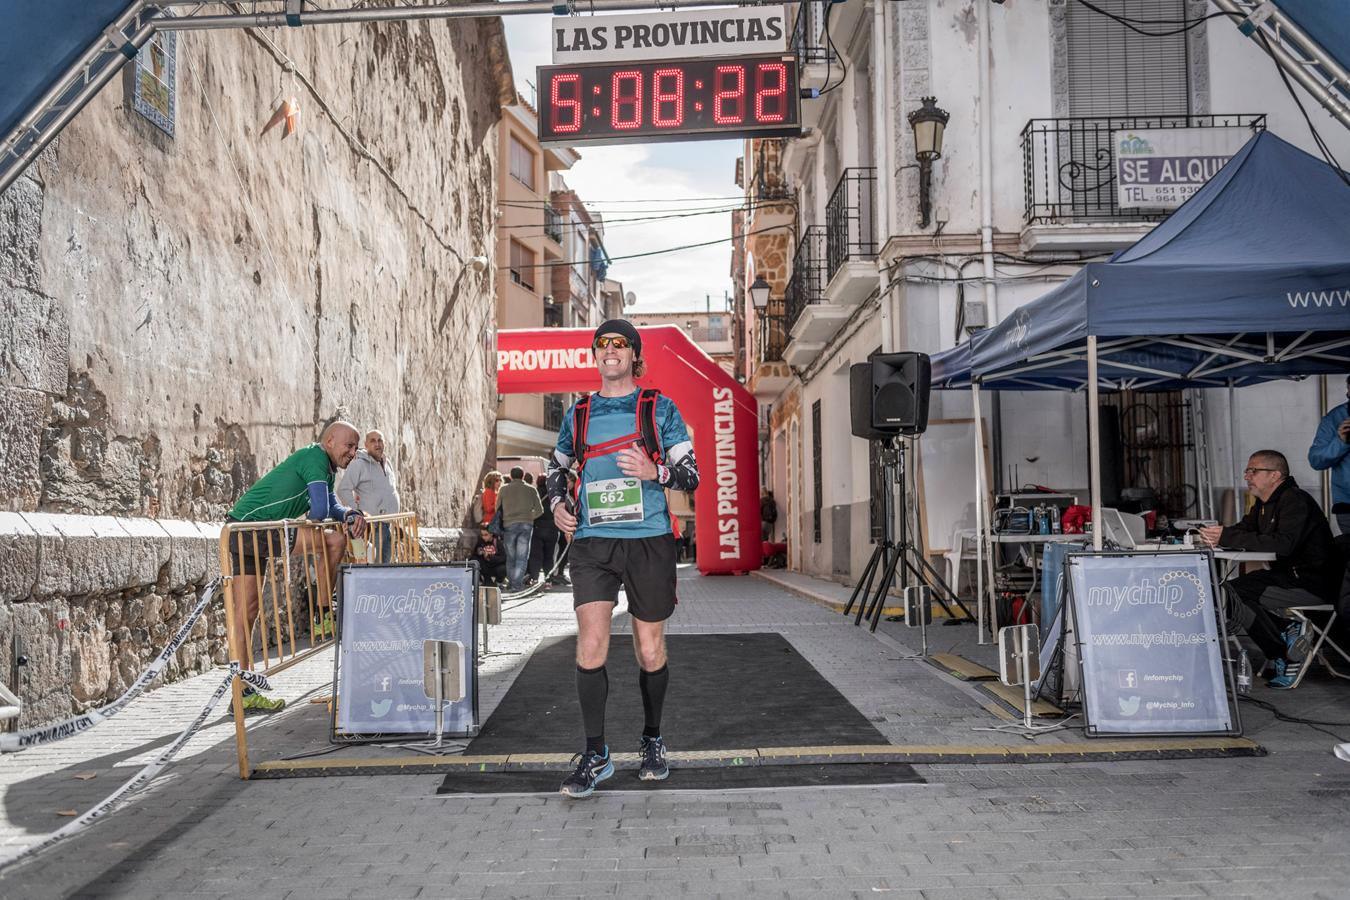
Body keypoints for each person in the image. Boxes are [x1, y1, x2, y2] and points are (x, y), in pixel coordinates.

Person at [546, 319, 699, 798]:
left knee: (650, 650)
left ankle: (652, 739)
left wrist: (656, 470)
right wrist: (556, 506)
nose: (610, 350)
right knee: (590, 645)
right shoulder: (580, 413)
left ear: (634, 355)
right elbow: (557, 467)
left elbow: (690, 474)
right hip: (594, 543)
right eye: (602, 344)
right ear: (595, 355)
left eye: (620, 344)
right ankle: (596, 754)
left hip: (648, 538)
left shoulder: (659, 408)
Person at [225, 420, 367, 711]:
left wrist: (350, 513)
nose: (353, 452)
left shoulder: (324, 469)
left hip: (241, 527)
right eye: (349, 445)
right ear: (330, 441)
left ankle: (243, 692)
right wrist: (341, 518)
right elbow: (317, 511)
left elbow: (330, 506)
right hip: (254, 529)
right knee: (333, 543)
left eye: (356, 447)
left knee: (247, 612)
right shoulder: (314, 458)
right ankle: (324, 611)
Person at [1199, 450, 1339, 688]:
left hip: (1312, 583)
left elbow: (1283, 545)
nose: (1247, 476)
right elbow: (1244, 530)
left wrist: (1228, 536)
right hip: (1285, 578)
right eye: (1247, 471)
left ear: (1275, 475)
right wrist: (1218, 536)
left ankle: (1283, 653)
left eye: (1254, 471)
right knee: (1226, 592)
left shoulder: (1295, 500)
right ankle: (1288, 633)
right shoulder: (1264, 505)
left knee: (1231, 594)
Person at [336, 429, 400, 562]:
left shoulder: (387, 463)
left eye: (380, 440)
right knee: (372, 567)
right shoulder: (359, 464)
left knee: (384, 566)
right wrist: (356, 511)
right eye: (373, 441)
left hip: (387, 524)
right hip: (371, 527)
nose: (377, 444)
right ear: (366, 445)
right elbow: (343, 489)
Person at [1309, 374, 1350, 534]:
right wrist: (1341, 442)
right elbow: (1316, 460)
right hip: (1347, 505)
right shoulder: (1335, 418)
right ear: (1347, 390)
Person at [498, 465, 543, 592]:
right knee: (522, 557)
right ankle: (516, 585)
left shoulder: (503, 489)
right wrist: (529, 517)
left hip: (508, 524)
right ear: (523, 476)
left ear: (511, 476)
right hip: (526, 525)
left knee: (511, 557)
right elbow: (540, 510)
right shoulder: (531, 489)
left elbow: (498, 508)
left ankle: (513, 583)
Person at [528, 478, 561, 587]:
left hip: (537, 527)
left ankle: (534, 578)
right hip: (552, 527)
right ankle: (548, 579)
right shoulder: (555, 494)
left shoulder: (535, 492)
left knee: (536, 555)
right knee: (549, 556)